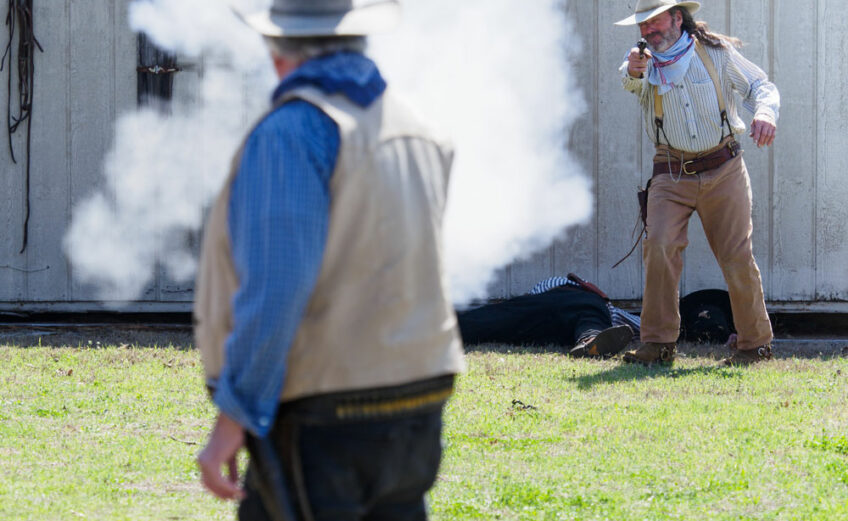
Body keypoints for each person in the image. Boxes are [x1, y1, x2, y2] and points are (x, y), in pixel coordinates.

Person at [192, 1, 465, 519]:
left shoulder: (292, 130)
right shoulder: (421, 128)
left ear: (277, 52)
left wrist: (235, 414)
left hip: (326, 406)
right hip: (420, 396)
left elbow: (277, 287)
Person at [614, 0, 778, 366]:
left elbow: (760, 86)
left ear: (676, 18)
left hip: (724, 168)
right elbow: (628, 77)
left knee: (736, 256)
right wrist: (635, 69)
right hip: (670, 172)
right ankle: (657, 345)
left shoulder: (717, 52)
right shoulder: (642, 62)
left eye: (653, 22)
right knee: (658, 246)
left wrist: (765, 113)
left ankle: (755, 346)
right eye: (642, 25)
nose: (647, 31)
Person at [458, 274, 638, 358]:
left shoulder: (551, 286)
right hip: (578, 304)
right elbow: (644, 325)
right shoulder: (604, 306)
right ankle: (591, 341)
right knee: (591, 320)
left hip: (548, 317)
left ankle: (449, 327)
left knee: (496, 320)